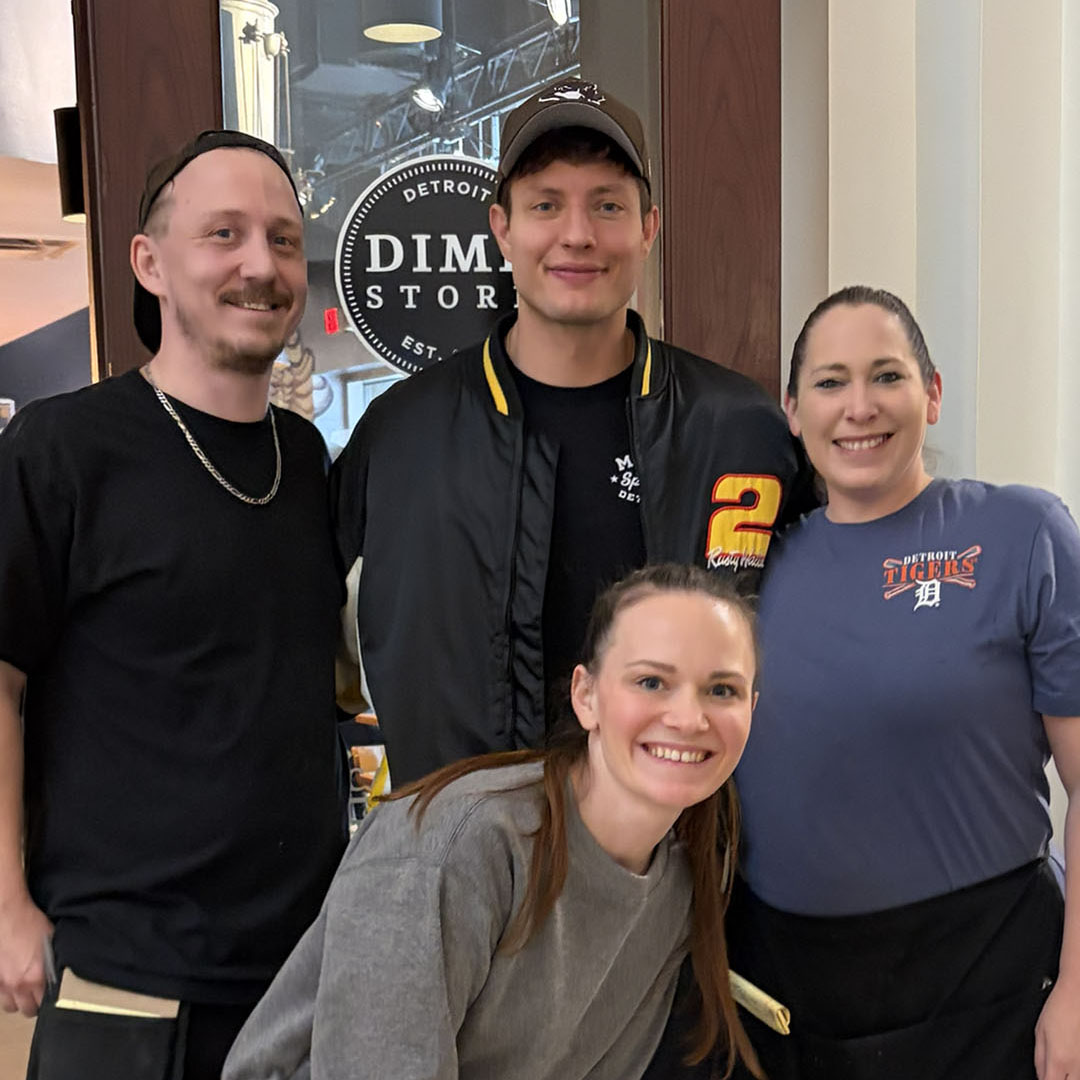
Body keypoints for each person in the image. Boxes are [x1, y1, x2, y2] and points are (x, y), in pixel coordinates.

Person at [331, 77, 816, 786]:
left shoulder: (738, 429)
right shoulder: (402, 435)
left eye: (608, 205)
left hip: (682, 863)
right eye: (546, 204)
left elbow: (833, 610)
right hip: (462, 860)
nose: (578, 234)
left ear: (649, 227)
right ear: (502, 228)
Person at [0, 130, 346, 1079]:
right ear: (149, 262)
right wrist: (5, 908)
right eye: (223, 234)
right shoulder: (62, 447)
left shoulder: (306, 462)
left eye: (281, 239)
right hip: (125, 977)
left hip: (295, 975)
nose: (260, 264)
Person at [727, 286, 1080, 1079]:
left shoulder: (1021, 534)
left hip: (990, 974)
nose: (860, 407)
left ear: (933, 392)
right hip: (789, 987)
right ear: (791, 409)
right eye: (829, 382)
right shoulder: (751, 571)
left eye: (887, 376)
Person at [224, 564, 763, 1080]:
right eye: (651, 682)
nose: (689, 719)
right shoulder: (454, 847)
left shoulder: (680, 876)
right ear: (586, 696)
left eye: (722, 690)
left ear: (753, 707)